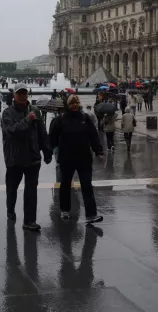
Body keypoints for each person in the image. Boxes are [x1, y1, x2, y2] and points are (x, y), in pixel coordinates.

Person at [1, 84, 51, 231]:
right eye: (19, 93)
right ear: (14, 95)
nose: (22, 95)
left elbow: (42, 132)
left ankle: (29, 221)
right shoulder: (7, 113)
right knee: (12, 189)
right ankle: (10, 210)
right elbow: (12, 132)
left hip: (33, 157)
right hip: (14, 159)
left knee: (31, 191)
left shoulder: (35, 111)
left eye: (24, 93)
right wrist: (28, 120)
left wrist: (47, 151)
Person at [50, 95, 104, 224]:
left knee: (87, 186)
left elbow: (93, 136)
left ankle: (91, 214)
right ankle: (65, 210)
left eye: (76, 103)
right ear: (67, 105)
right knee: (65, 185)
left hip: (84, 157)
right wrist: (50, 152)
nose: (74, 105)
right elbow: (52, 137)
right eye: (71, 103)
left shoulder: (85, 118)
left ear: (79, 104)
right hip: (66, 158)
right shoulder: (60, 119)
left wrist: (99, 151)